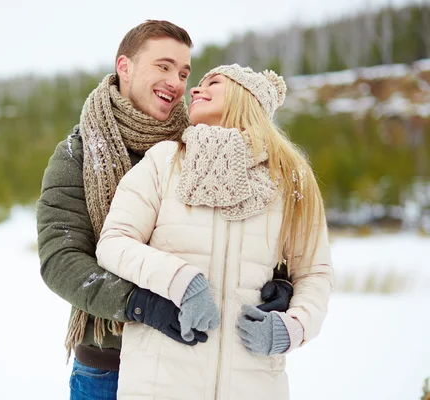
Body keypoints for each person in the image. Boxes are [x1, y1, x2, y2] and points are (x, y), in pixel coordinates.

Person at [36, 20, 292, 400]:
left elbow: (244, 225)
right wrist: (141, 305)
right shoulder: (80, 153)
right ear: (125, 67)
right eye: (164, 66)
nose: (176, 81)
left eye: (184, 72)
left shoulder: (202, 145)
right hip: (107, 364)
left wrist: (281, 281)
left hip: (189, 366)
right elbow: (60, 259)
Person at [95, 64, 334, 399]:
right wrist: (182, 282)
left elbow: (314, 273)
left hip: (254, 385)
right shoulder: (164, 161)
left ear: (246, 96)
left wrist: (292, 327)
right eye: (199, 83)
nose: (194, 89)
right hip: (158, 384)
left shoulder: (289, 178)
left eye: (214, 82)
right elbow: (114, 243)